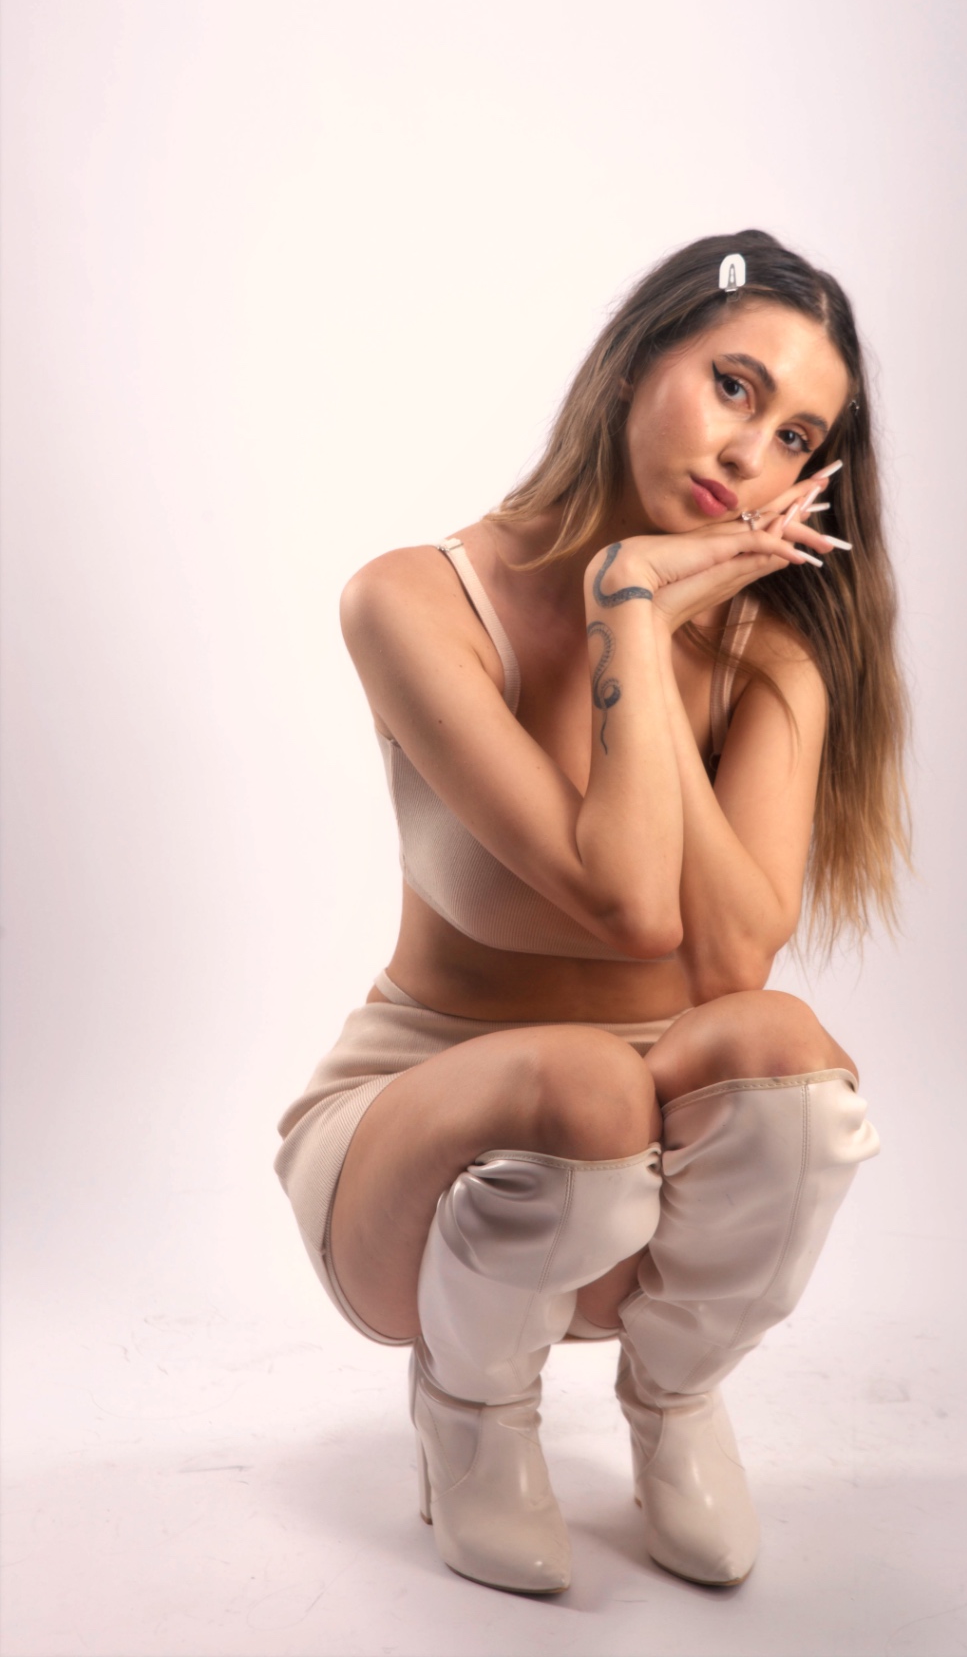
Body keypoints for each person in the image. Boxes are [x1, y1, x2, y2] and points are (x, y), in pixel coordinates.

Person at [275, 230, 908, 1595]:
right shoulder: (416, 601)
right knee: (583, 1082)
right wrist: (624, 606)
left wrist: (654, 621)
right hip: (415, 1149)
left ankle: (676, 1402)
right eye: (733, 386)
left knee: (790, 1059)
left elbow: (730, 961)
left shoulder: (774, 660)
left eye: (796, 438)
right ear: (634, 362)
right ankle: (472, 1413)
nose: (749, 454)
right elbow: (627, 905)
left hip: (653, 1185)